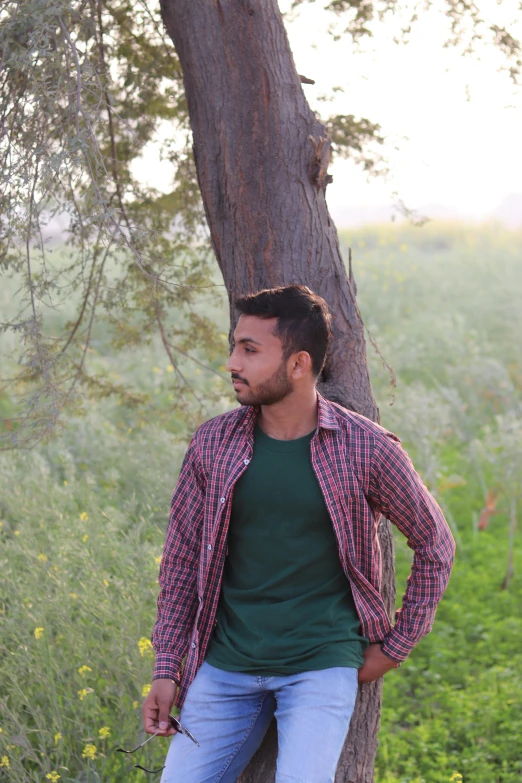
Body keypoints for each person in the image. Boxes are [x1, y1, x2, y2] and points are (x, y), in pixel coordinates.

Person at [142, 285, 455, 783]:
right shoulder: (213, 443)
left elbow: (436, 544)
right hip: (224, 664)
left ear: (298, 364)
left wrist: (395, 647)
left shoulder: (365, 447)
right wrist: (166, 667)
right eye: (234, 346)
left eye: (249, 349)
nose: (231, 363)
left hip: (321, 664)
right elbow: (180, 560)